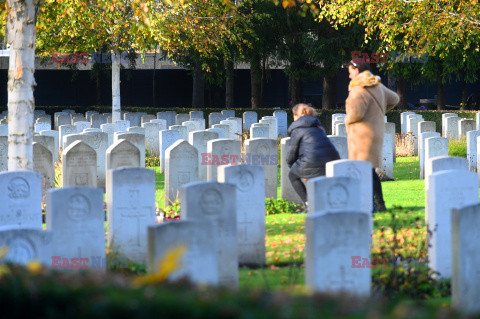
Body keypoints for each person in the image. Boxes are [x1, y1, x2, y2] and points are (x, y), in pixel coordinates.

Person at [345, 59, 399, 213]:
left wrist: (346, 119)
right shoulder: (377, 85)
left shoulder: (358, 89)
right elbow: (395, 99)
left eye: (350, 72)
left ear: (356, 71)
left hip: (361, 135)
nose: (349, 76)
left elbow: (356, 114)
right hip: (375, 133)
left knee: (363, 171)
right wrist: (379, 111)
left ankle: (371, 205)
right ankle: (379, 205)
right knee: (369, 170)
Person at [287, 104, 340, 208]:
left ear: (297, 115)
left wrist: (291, 166)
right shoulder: (319, 126)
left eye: (294, 114)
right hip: (332, 159)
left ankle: (308, 204)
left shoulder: (297, 129)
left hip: (312, 160)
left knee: (292, 176)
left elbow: (292, 153)